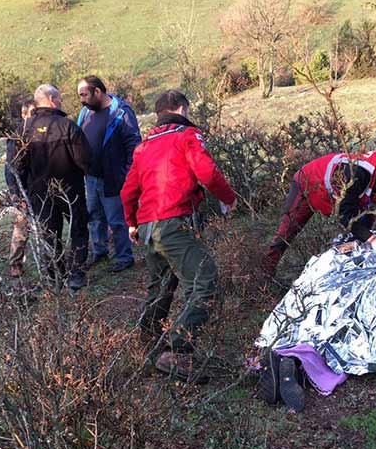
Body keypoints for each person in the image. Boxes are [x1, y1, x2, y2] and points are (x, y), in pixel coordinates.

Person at [121, 90, 237, 382]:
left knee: (161, 287)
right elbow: (207, 173)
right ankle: (176, 350)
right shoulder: (186, 135)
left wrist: (132, 223)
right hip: (173, 221)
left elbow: (128, 191)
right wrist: (229, 198)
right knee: (204, 279)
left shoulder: (144, 145)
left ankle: (148, 346)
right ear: (182, 109)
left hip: (148, 225)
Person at [264, 150, 376, 275]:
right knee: (287, 232)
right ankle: (264, 276)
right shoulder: (357, 175)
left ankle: (356, 270)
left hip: (346, 195)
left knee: (363, 230)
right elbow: (345, 216)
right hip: (308, 183)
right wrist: (374, 241)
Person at [16, 84, 91, 290]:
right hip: (70, 189)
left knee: (49, 233)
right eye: (58, 98)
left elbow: (17, 166)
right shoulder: (67, 126)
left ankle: (55, 276)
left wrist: (21, 191)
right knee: (78, 229)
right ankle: (76, 274)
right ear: (51, 99)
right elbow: (84, 159)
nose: (61, 102)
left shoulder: (23, 129)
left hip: (38, 192)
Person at [76, 75, 142, 273]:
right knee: (95, 217)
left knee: (117, 220)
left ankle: (124, 257)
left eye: (84, 94)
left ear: (97, 91)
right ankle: (100, 252)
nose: (81, 99)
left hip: (114, 177)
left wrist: (128, 174)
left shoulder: (122, 112)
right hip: (91, 177)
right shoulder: (85, 112)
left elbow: (133, 144)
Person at [5, 98, 35, 278]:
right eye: (32, 113)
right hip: (22, 189)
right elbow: (10, 168)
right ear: (24, 115)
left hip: (41, 187)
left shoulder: (42, 132)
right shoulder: (16, 137)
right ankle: (15, 263)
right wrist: (16, 193)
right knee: (21, 226)